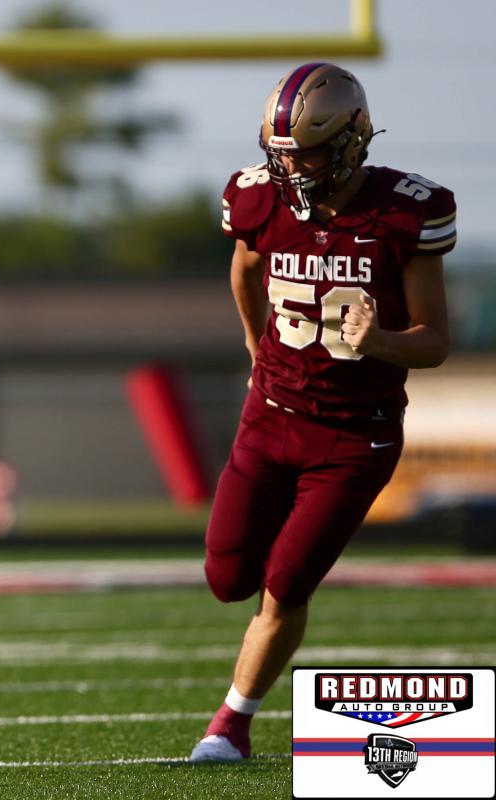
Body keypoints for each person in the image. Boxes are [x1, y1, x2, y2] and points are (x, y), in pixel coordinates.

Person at [189, 62, 454, 763]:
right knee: (227, 580)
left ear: (351, 140)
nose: (289, 169)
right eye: (279, 154)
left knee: (286, 583)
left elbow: (434, 342)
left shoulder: (405, 213)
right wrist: (255, 344)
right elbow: (246, 268)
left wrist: (381, 342)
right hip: (269, 416)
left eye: (304, 153)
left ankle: (230, 725)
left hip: (353, 437)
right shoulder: (258, 198)